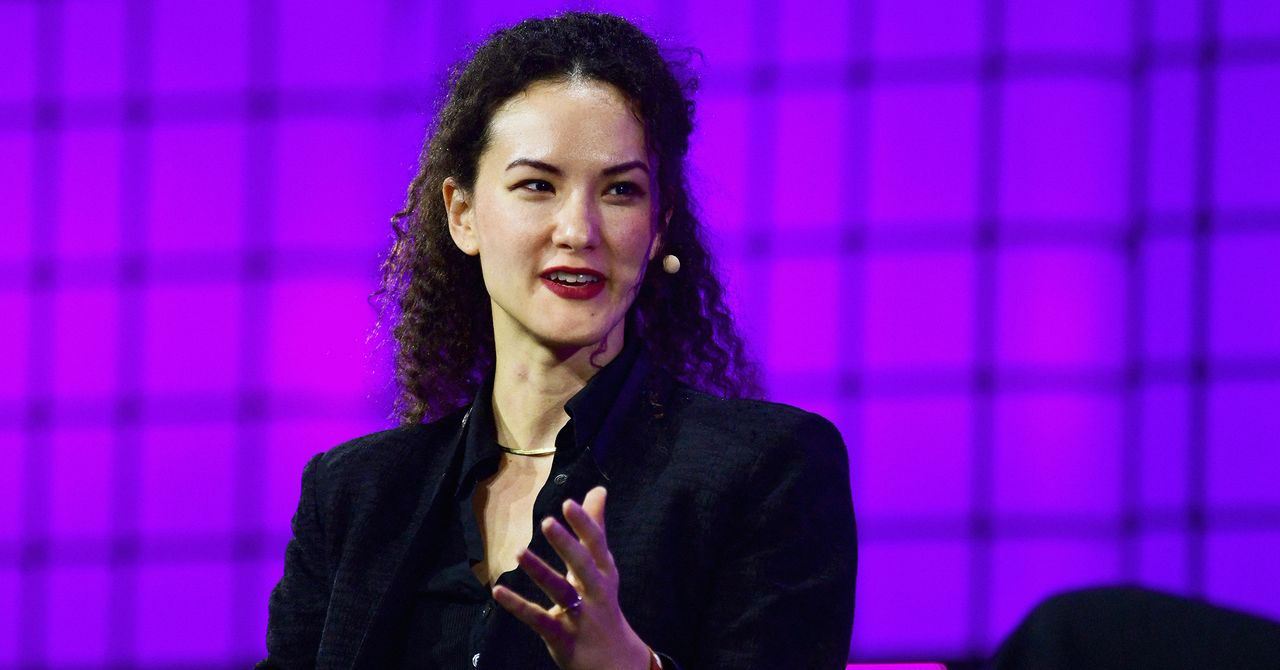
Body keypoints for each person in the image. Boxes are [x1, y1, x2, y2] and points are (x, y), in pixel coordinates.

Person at [259, 11, 855, 670]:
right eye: (537, 186)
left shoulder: (766, 470)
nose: (578, 230)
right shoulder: (354, 493)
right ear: (462, 214)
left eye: (621, 191)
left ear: (659, 226)